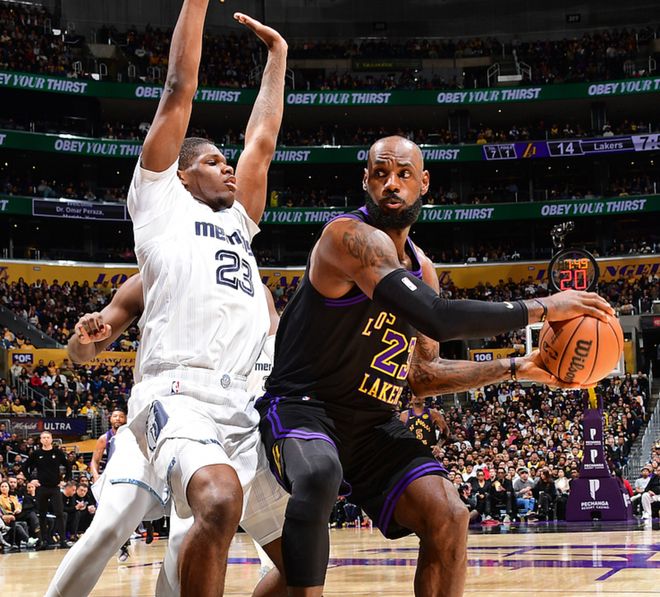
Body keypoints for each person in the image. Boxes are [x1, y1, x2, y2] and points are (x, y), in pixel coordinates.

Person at [255, 134, 614, 596]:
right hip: (306, 408)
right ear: (365, 181)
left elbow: (422, 376)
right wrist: (545, 306)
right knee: (319, 475)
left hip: (371, 425)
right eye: (381, 173)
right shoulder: (347, 237)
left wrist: (519, 367)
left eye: (404, 174)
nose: (392, 183)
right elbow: (437, 317)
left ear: (423, 183)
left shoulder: (422, 269)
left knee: (449, 514)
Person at [125, 2, 289, 592]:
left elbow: (261, 142)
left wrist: (278, 57)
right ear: (182, 172)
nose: (229, 169)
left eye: (227, 161)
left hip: (243, 405)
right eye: (215, 162)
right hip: (177, 393)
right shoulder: (159, 203)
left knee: (303, 562)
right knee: (218, 501)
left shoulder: (239, 221)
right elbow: (178, 91)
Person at [46, 278, 285, 596]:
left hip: (219, 425)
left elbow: (279, 352)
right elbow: (81, 352)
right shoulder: (155, 273)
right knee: (108, 528)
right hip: (155, 416)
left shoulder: (253, 287)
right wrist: (82, 338)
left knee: (184, 545)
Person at [23, 430, 71, 549]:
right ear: (40, 440)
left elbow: (68, 466)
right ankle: (43, 541)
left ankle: (62, 540)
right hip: (42, 488)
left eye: (47, 437)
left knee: (59, 513)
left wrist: (65, 480)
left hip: (55, 488)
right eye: (43, 437)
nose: (45, 439)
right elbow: (25, 467)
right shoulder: (36, 453)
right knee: (42, 514)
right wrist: (31, 480)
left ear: (51, 439)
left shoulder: (57, 452)